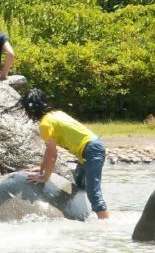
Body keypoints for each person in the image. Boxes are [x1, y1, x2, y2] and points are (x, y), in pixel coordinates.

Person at [21, 88, 110, 219]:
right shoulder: (56, 114)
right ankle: (86, 215)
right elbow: (48, 151)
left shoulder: (45, 124)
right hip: (90, 148)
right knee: (80, 183)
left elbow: (53, 155)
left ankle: (105, 224)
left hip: (91, 150)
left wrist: (45, 177)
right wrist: (41, 168)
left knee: (93, 192)